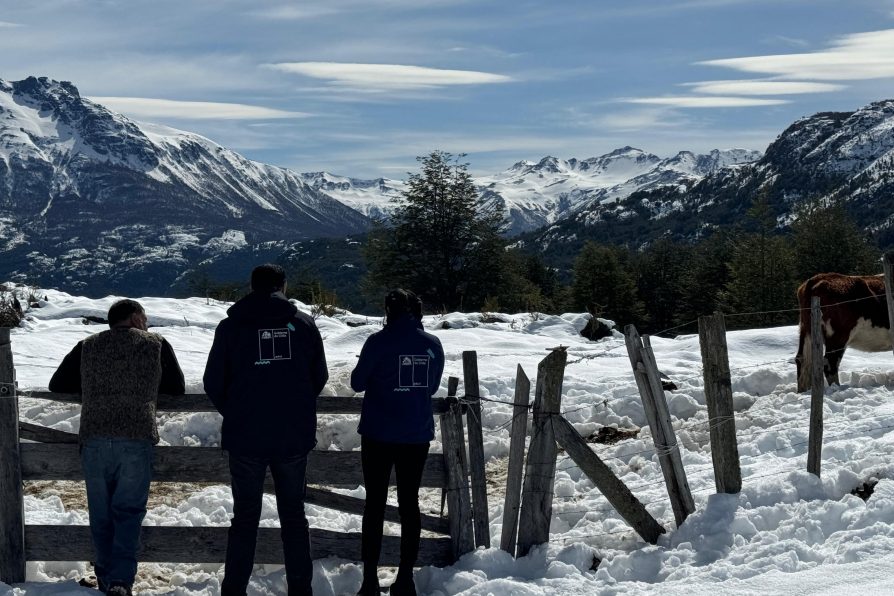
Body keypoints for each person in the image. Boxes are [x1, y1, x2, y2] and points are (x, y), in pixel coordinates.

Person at [204, 264, 328, 596]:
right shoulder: (303, 325)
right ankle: (300, 590)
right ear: (282, 286)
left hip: (246, 437)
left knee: (244, 517)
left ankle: (234, 590)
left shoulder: (230, 327)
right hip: (292, 436)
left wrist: (239, 412)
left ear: (252, 286)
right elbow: (320, 376)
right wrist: (296, 407)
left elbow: (213, 382)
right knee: (294, 516)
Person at [49, 299, 186, 596]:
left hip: (95, 436)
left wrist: (98, 387)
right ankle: (120, 581)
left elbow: (57, 383)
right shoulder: (156, 344)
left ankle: (104, 578)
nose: (147, 323)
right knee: (128, 512)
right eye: (145, 317)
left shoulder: (87, 345)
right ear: (136, 318)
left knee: (100, 513)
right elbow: (177, 387)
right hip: (136, 436)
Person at [351, 289, 444, 596]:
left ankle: (369, 580)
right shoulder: (432, 345)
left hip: (378, 433)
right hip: (415, 434)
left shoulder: (377, 342)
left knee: (374, 506)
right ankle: (406, 577)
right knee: (410, 505)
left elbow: (357, 383)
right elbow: (430, 387)